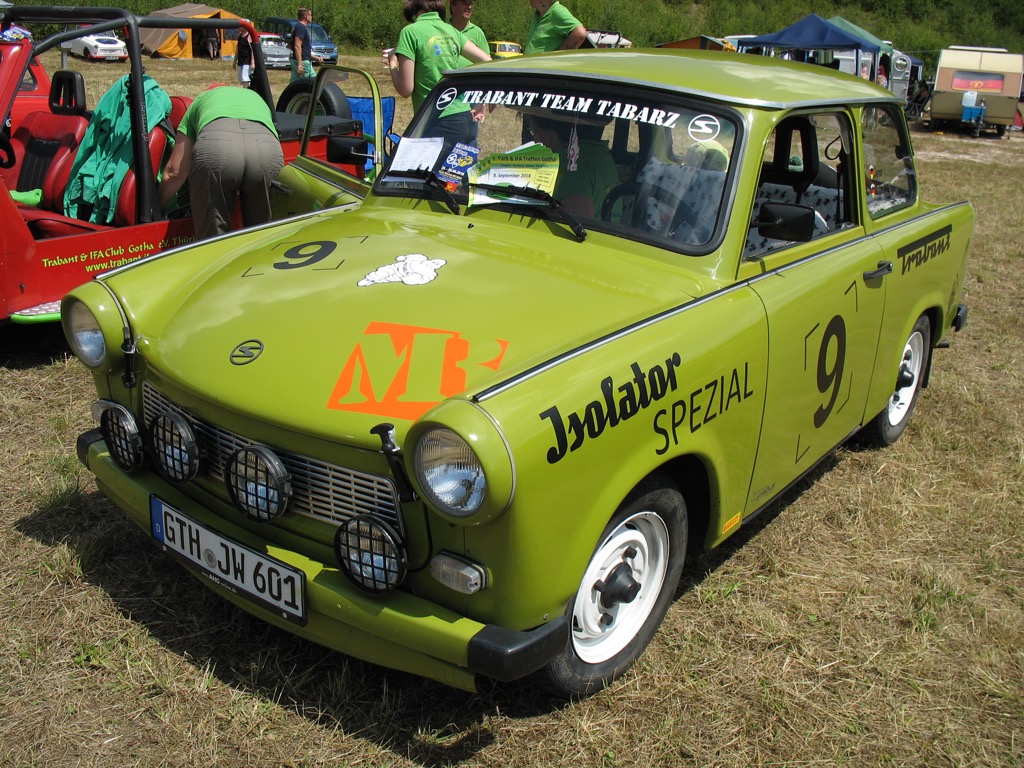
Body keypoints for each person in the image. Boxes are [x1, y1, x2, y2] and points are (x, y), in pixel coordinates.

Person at [158, 86, 284, 240]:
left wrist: (158, 209)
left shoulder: (200, 100)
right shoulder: (256, 97)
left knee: (213, 241)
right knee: (263, 237)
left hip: (217, 147)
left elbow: (174, 172)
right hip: (266, 149)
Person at [382, 0, 489, 147]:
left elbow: (405, 89)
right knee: (463, 169)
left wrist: (393, 63)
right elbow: (487, 60)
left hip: (434, 120)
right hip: (464, 118)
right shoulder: (451, 31)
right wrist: (480, 99)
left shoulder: (410, 32)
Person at [525, 115, 617, 218]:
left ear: (553, 133)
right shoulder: (597, 152)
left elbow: (577, 222)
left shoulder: (569, 164)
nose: (535, 138)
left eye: (534, 130)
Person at [449, 0, 487, 67]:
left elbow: (488, 64)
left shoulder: (477, 32)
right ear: (453, 6)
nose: (469, 7)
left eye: (470, 3)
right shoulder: (443, 29)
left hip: (472, 77)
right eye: (465, 3)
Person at [291, 7, 321, 82]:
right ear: (305, 16)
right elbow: (297, 46)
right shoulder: (301, 27)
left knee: (294, 84)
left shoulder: (297, 26)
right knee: (315, 82)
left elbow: (303, 49)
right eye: (310, 15)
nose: (311, 17)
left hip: (297, 60)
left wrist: (315, 57)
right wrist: (300, 64)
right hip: (303, 62)